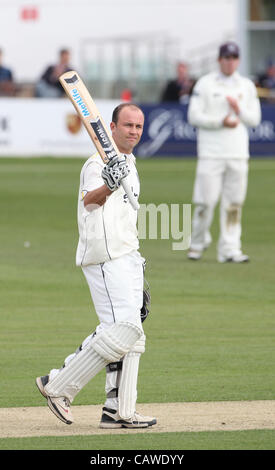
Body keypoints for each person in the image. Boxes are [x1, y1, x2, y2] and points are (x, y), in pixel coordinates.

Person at [36, 103, 157, 429]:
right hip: (104, 256)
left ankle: (121, 411)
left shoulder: (130, 163)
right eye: (128, 125)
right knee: (122, 330)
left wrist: (137, 261)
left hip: (127, 255)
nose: (134, 131)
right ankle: (58, 385)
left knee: (135, 336)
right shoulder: (96, 164)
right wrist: (108, 184)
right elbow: (90, 201)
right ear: (112, 128)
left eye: (139, 127)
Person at [187, 41, 261, 263]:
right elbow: (194, 117)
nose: (230, 62)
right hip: (211, 153)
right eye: (226, 58)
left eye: (234, 58)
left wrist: (239, 110)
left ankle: (230, 248)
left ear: (238, 60)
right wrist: (220, 121)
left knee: (234, 204)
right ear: (219, 59)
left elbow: (254, 119)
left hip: (238, 154)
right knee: (205, 201)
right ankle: (197, 244)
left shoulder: (246, 85)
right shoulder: (205, 84)